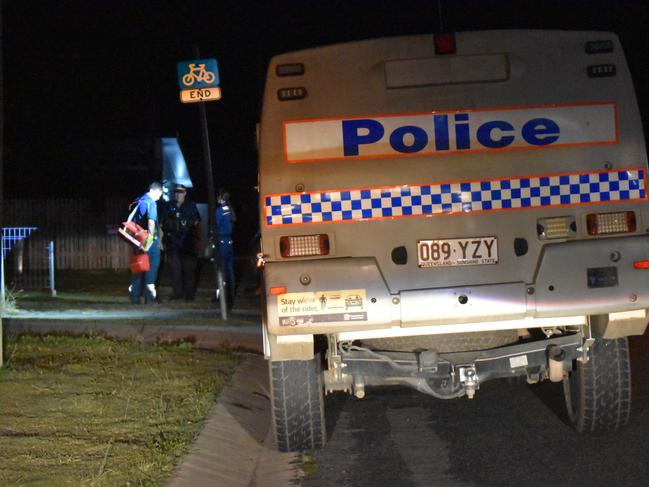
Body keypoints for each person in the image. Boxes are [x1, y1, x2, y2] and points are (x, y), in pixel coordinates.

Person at [161, 184, 202, 301]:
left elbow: (197, 223)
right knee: (175, 270)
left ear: (185, 193)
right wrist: (161, 241)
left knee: (189, 270)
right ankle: (177, 293)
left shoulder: (191, 206)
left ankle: (189, 295)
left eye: (180, 192)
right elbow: (162, 223)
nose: (178, 194)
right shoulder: (169, 206)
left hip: (187, 243)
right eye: (176, 192)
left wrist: (198, 240)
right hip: (172, 243)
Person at [129, 181, 163, 304]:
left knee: (138, 268)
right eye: (160, 193)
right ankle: (150, 298)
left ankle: (135, 297)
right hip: (148, 240)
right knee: (151, 268)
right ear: (155, 191)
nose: (160, 197)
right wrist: (149, 240)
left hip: (136, 239)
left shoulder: (138, 200)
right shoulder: (151, 203)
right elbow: (151, 222)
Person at [216, 190, 236, 303]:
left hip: (221, 241)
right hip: (229, 241)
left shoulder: (219, 211)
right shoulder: (229, 210)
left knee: (221, 268)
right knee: (230, 268)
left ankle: (221, 295)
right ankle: (231, 293)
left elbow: (216, 226)